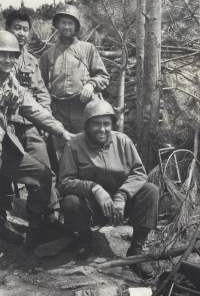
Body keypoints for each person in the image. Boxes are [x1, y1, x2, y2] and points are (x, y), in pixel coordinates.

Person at [58, 99, 159, 279]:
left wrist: (122, 195)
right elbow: (65, 183)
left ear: (112, 124)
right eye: (96, 123)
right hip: (92, 207)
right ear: (87, 125)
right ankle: (84, 237)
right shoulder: (73, 145)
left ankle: (136, 249)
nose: (102, 129)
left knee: (150, 190)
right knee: (70, 201)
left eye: (106, 124)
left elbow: (139, 173)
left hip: (122, 206)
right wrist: (94, 188)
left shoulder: (123, 141)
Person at [0, 30, 73, 249]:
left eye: (12, 55)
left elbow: (35, 110)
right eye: (2, 54)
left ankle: (35, 230)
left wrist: (62, 132)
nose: (7, 60)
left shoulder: (12, 83)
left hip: (5, 150)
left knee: (42, 175)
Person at [39, 4, 109, 160]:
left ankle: (88, 184)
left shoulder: (88, 49)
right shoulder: (47, 55)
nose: (66, 26)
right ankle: (63, 183)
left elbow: (103, 76)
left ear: (76, 26)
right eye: (63, 22)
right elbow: (40, 87)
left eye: (70, 23)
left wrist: (91, 84)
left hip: (82, 108)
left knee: (86, 151)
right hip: (58, 110)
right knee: (61, 154)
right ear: (57, 25)